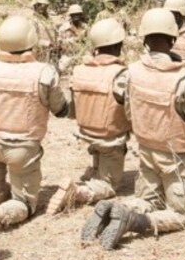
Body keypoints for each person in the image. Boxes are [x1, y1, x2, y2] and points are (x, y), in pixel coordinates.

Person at [81, 8, 185, 250]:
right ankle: (135, 220)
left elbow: (128, 111)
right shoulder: (184, 78)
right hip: (176, 156)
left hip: (146, 152)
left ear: (145, 40)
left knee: (145, 199)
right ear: (173, 39)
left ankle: (113, 209)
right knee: (180, 215)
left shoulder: (131, 72)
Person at [0, 16, 69, 247]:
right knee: (25, 205)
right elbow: (60, 110)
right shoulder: (44, 73)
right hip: (23, 149)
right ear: (31, 42)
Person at [48, 18, 130, 214]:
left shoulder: (79, 71)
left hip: (86, 132)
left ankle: (95, 171)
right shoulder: (121, 74)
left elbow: (72, 110)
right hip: (111, 138)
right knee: (109, 186)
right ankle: (79, 192)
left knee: (101, 153)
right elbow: (131, 111)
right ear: (118, 45)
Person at [57, 4, 88, 73]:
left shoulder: (85, 27)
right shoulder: (64, 28)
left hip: (82, 55)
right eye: (74, 14)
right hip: (68, 57)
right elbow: (59, 45)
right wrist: (75, 39)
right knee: (63, 69)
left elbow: (89, 44)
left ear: (81, 15)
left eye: (77, 14)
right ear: (70, 15)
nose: (76, 16)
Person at [30, 0, 59, 64]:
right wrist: (47, 43)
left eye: (45, 6)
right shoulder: (33, 21)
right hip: (40, 55)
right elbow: (32, 40)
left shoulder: (49, 21)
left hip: (52, 54)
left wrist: (58, 42)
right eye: (41, 5)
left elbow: (56, 33)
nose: (43, 8)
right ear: (36, 6)